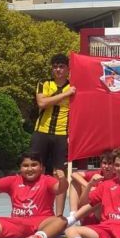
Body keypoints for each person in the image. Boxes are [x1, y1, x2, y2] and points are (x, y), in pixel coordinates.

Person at [31, 53, 76, 215]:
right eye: (55, 66)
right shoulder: (44, 83)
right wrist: (66, 94)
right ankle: (35, 210)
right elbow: (42, 102)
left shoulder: (73, 86)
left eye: (61, 66)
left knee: (60, 175)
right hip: (41, 133)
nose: (58, 69)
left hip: (62, 135)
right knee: (35, 171)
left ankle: (58, 216)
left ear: (68, 69)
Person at [67, 150, 115, 225]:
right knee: (74, 182)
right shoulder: (97, 174)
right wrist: (89, 185)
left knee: (100, 197)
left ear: (114, 165)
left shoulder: (116, 178)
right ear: (100, 164)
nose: (106, 166)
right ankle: (73, 214)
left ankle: (76, 218)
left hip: (103, 212)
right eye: (104, 163)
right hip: (88, 209)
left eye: (110, 164)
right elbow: (74, 174)